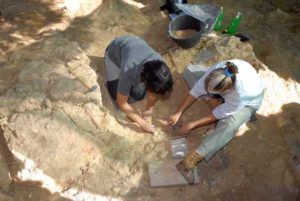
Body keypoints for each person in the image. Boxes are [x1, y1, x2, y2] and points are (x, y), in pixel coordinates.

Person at [168, 59, 264, 184]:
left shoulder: (240, 95)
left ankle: (190, 161)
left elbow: (217, 114)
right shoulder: (219, 70)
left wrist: (192, 125)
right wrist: (178, 112)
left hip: (248, 104)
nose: (208, 93)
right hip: (225, 88)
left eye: (213, 93)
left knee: (229, 125)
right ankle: (216, 100)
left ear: (225, 91)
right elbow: (197, 89)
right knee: (189, 72)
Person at [104, 35, 173, 133]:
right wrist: (142, 123)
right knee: (116, 99)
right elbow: (122, 103)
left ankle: (124, 84)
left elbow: (155, 91)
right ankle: (111, 81)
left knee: (139, 95)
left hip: (132, 46)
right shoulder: (129, 69)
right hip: (113, 54)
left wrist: (149, 110)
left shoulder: (160, 64)